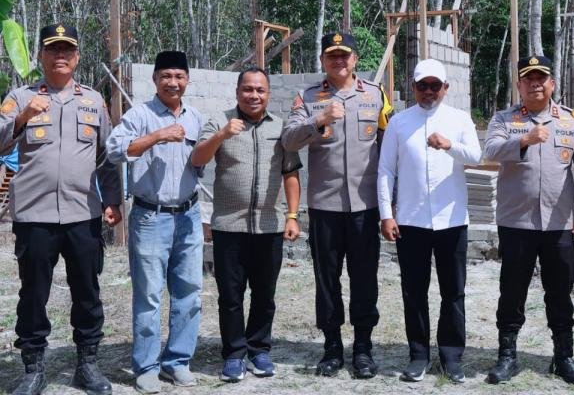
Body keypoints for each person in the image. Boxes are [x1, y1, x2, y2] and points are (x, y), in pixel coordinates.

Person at [0, 23, 122, 395]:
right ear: (41, 56)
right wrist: (21, 119)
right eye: (53, 49)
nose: (61, 55)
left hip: (83, 214)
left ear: (77, 57)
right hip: (34, 216)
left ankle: (87, 364)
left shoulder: (93, 102)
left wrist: (113, 200)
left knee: (87, 290)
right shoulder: (20, 98)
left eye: (67, 49)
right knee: (33, 293)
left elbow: (108, 157)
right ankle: (33, 368)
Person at [281, 32, 393, 379]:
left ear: (355, 60)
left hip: (364, 205)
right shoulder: (309, 97)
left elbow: (390, 149)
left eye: (345, 55)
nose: (339, 61)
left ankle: (362, 347)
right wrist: (319, 120)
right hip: (325, 206)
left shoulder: (376, 96)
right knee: (326, 279)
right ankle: (331, 348)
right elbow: (288, 140)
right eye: (332, 56)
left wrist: (393, 204)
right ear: (323, 62)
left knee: (364, 278)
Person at [483, 54, 574, 388]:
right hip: (516, 222)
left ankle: (563, 357)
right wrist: (523, 140)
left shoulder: (571, 121)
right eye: (528, 79)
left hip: (559, 223)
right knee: (512, 290)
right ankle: (507, 356)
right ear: (519, 85)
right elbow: (490, 150)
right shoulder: (505, 119)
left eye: (541, 78)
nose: (535, 84)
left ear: (552, 84)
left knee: (560, 292)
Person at [190, 67, 302, 381]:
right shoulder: (219, 122)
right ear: (238, 91)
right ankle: (235, 353)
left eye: (260, 90)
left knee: (265, 294)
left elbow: (290, 174)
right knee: (230, 295)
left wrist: (292, 216)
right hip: (229, 226)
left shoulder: (281, 128)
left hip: (269, 226)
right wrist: (223, 134)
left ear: (268, 94)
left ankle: (259, 349)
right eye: (248, 89)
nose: (254, 95)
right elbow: (198, 159)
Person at [377, 59, 481, 383]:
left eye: (435, 86)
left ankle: (451, 356)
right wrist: (386, 214)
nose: (429, 91)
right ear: (413, 87)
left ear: (446, 88)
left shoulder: (459, 119)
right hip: (411, 220)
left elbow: (477, 157)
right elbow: (385, 170)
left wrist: (449, 145)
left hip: (451, 220)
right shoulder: (399, 122)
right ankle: (418, 355)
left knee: (453, 291)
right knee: (414, 291)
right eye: (422, 85)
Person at [106, 50, 204, 393]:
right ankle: (146, 365)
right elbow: (114, 150)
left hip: (189, 215)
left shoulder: (196, 118)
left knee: (189, 293)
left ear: (187, 79)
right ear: (155, 79)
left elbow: (199, 162)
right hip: (151, 216)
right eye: (166, 76)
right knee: (149, 295)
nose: (172, 83)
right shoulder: (140, 115)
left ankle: (177, 360)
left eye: (179, 76)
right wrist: (157, 136)